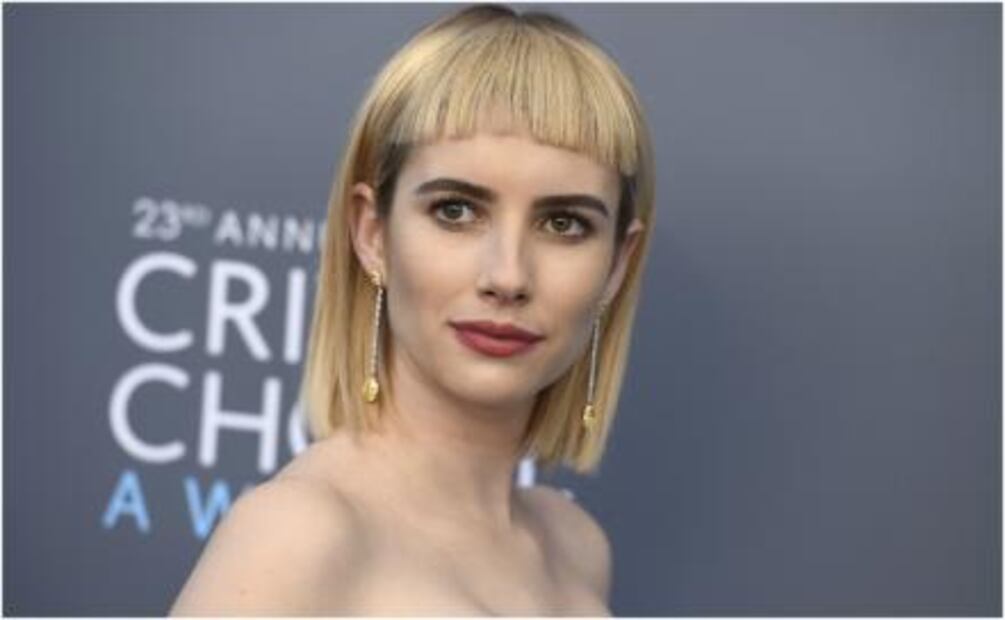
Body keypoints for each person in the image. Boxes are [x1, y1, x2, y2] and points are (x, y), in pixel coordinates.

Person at [169, 3, 654, 616]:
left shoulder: (576, 547)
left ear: (617, 264)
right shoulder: (298, 534)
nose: (507, 276)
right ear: (372, 233)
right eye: (456, 211)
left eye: (563, 223)